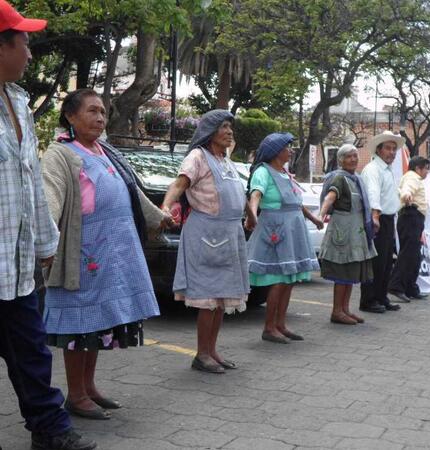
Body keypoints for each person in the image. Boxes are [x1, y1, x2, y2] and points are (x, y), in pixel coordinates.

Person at [41, 89, 170, 420]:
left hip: (114, 252)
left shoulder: (105, 151)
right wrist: (46, 241)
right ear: (70, 116)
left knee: (98, 323)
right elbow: (50, 197)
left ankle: (90, 387)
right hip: (84, 254)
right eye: (92, 111)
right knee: (79, 324)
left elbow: (133, 193)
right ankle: (76, 394)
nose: (100, 118)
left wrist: (159, 217)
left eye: (103, 112)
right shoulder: (60, 154)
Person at [0, 2, 96, 448]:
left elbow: (29, 184)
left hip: (16, 266)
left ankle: (50, 430)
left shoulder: (16, 101)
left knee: (32, 351)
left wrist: (45, 241)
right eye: (23, 41)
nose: (30, 53)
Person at [162, 109, 253, 373]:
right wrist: (166, 208)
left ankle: (213, 351)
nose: (229, 132)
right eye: (224, 127)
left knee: (222, 298)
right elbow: (179, 185)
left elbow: (239, 193)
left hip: (229, 233)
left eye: (231, 128)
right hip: (206, 234)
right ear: (210, 130)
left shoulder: (226, 160)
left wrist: (250, 216)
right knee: (208, 298)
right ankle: (202, 354)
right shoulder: (197, 157)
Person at [247, 133, 323, 343]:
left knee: (289, 280)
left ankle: (280, 324)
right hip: (276, 230)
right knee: (278, 280)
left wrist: (313, 219)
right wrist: (252, 214)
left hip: (292, 228)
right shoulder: (263, 172)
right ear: (276, 151)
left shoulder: (284, 172)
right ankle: (269, 327)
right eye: (287, 147)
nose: (291, 150)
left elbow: (295, 202)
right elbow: (255, 195)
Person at [318, 144, 377, 325]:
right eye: (349, 157)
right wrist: (320, 214)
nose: (353, 159)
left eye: (355, 156)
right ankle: (337, 311)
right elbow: (330, 197)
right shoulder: (339, 178)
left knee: (351, 272)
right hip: (342, 231)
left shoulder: (356, 179)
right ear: (341, 160)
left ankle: (345, 309)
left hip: (355, 231)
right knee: (342, 273)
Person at [359, 131, 404, 313]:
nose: (392, 152)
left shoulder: (386, 169)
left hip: (387, 218)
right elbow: (373, 194)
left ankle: (381, 296)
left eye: (394, 149)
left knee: (386, 262)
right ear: (379, 150)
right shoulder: (373, 169)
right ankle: (368, 300)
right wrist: (375, 217)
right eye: (388, 148)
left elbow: (389, 195)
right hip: (378, 218)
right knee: (376, 262)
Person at [388, 156, 430, 302]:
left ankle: (410, 287)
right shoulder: (412, 177)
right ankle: (396, 286)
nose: (427, 172)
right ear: (418, 168)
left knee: (415, 256)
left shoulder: (413, 178)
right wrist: (406, 195)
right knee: (408, 254)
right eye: (426, 168)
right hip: (411, 216)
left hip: (414, 218)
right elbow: (407, 190)